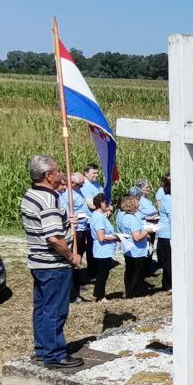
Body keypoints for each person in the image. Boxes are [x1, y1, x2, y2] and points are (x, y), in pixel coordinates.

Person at [21, 155, 83, 369]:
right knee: (55, 310)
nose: (60, 174)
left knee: (42, 308)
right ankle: (55, 355)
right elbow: (54, 238)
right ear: (48, 176)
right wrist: (71, 256)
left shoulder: (31, 194)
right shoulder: (49, 200)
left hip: (38, 262)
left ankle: (42, 349)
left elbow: (46, 223)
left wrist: (65, 221)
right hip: (53, 264)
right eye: (57, 171)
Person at [58, 173, 90, 302]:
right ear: (72, 183)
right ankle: (72, 292)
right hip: (75, 231)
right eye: (79, 185)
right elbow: (66, 214)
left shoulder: (78, 193)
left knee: (79, 258)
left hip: (82, 228)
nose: (81, 187)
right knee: (74, 260)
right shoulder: (67, 196)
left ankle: (75, 286)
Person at [115, 194, 152, 298]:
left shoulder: (124, 217)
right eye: (137, 203)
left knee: (129, 271)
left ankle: (129, 291)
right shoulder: (132, 219)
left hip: (128, 249)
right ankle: (135, 292)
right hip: (137, 250)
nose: (139, 205)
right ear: (132, 205)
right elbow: (137, 237)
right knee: (137, 272)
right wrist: (147, 231)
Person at [88, 195, 119, 302]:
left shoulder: (100, 215)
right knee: (102, 274)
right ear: (101, 203)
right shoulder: (99, 217)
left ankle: (99, 294)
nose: (108, 205)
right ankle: (100, 296)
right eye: (106, 203)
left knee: (103, 273)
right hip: (102, 250)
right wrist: (116, 238)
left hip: (104, 250)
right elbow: (101, 237)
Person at [80, 163, 103, 282]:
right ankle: (91, 271)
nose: (96, 175)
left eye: (97, 173)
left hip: (99, 217)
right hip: (89, 220)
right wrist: (105, 207)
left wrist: (108, 208)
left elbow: (104, 199)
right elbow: (91, 204)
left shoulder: (97, 184)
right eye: (94, 173)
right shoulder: (84, 186)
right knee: (91, 246)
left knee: (97, 244)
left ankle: (97, 268)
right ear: (86, 173)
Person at [157, 175, 173, 291]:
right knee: (168, 260)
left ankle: (169, 282)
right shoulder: (168, 198)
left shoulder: (171, 198)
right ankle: (167, 284)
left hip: (169, 234)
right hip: (167, 234)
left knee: (170, 260)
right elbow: (172, 218)